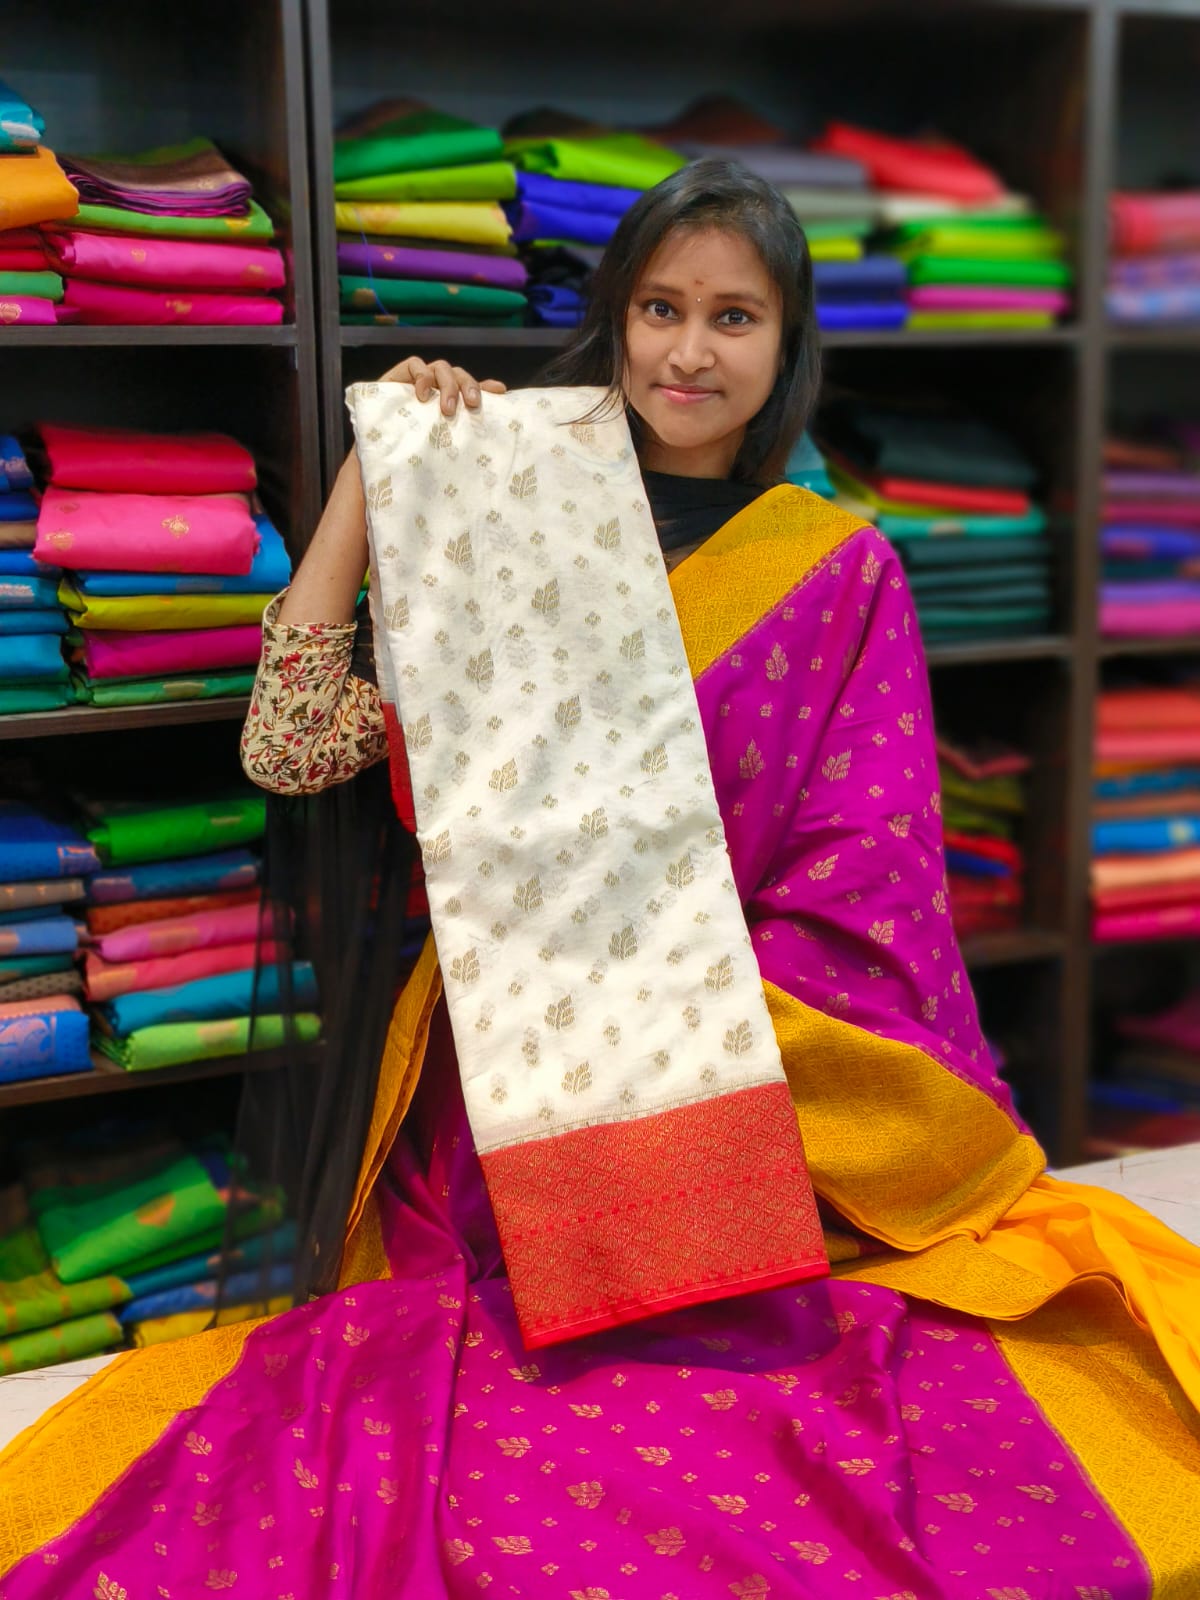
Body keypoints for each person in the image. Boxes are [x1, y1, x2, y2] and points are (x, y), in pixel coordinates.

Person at [0, 160, 1197, 1598]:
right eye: (659, 308)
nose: (690, 351)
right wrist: (381, 475)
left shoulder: (835, 569)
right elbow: (289, 744)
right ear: (615, 319)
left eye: (734, 316)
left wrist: (680, 1022)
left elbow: (864, 866)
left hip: (750, 1057)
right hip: (506, 1063)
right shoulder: (503, 505)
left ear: (787, 343)